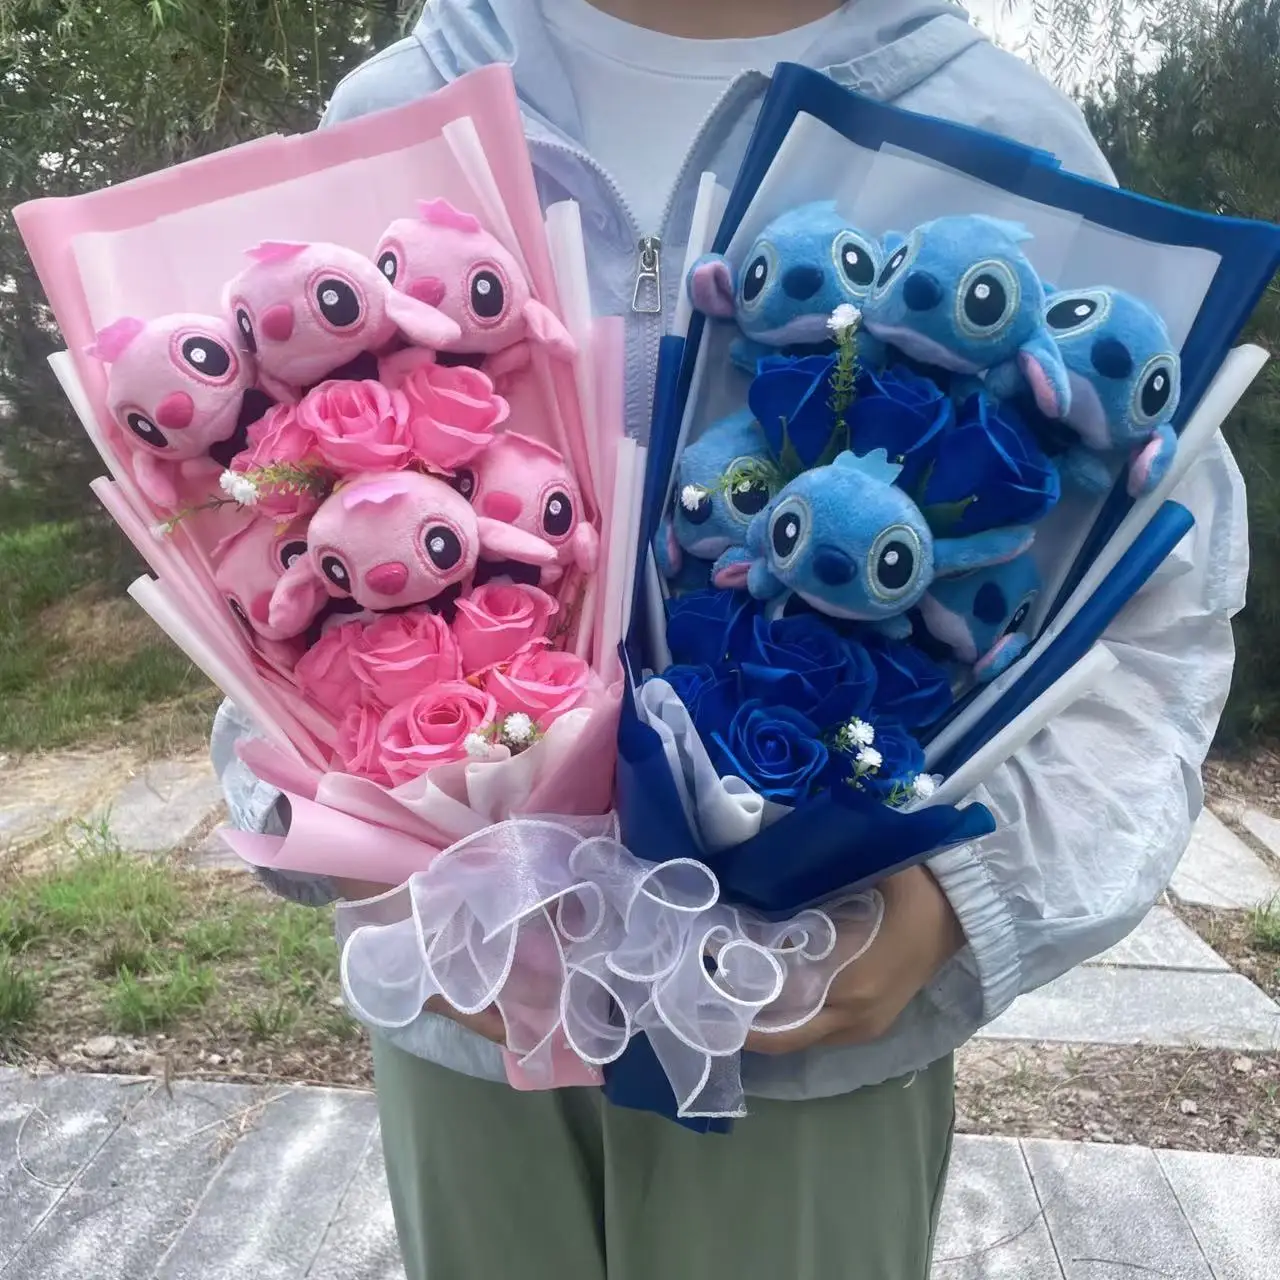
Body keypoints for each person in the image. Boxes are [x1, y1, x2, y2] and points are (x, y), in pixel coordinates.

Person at [212, 1, 1247, 1276]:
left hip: (810, 1029)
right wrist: (351, 842)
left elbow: (1156, 623)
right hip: (470, 1014)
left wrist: (964, 895)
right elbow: (258, 527)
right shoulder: (395, 110)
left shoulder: (991, 125)